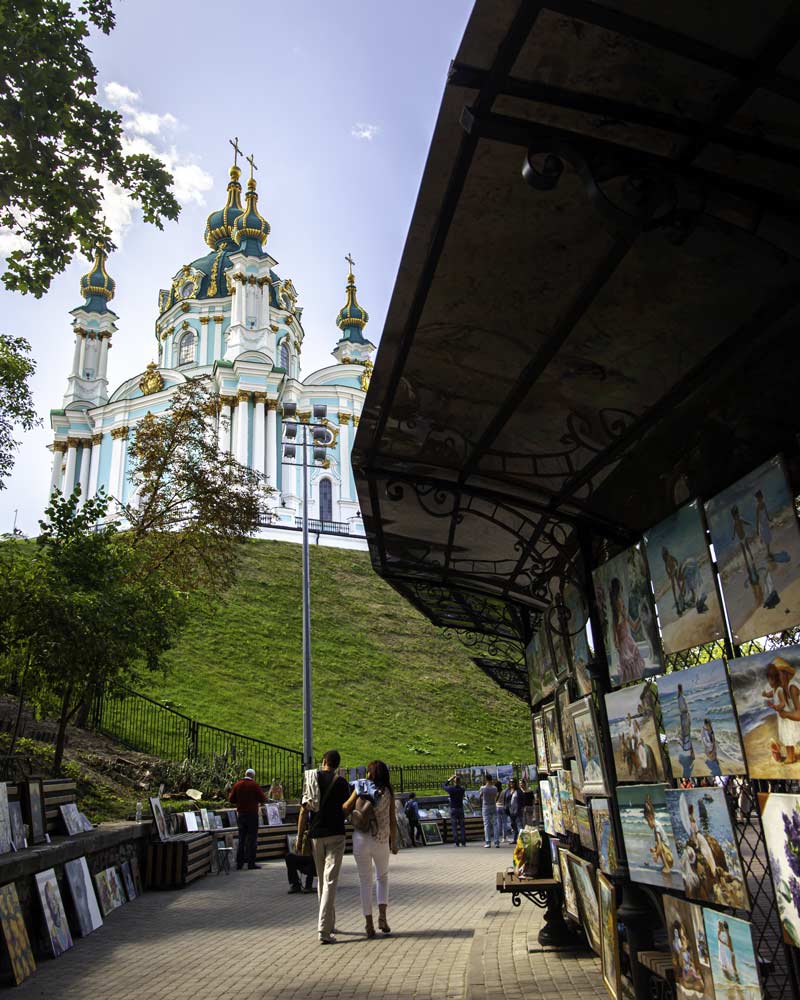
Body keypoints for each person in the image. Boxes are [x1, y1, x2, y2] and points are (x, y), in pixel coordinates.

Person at [296, 749, 353, 944]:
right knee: (330, 881)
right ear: (337, 764)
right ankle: (323, 929)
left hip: (316, 834)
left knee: (322, 880)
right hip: (336, 833)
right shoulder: (341, 783)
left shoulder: (312, 778)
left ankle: (329, 922)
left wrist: (298, 836)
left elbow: (304, 811)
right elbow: (345, 810)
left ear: (323, 761)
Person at [350, 761, 398, 938]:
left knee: (365, 881)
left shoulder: (361, 787)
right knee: (382, 877)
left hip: (361, 838)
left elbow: (349, 808)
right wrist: (394, 842)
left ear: (370, 773)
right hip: (381, 839)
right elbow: (392, 819)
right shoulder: (388, 792)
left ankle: (368, 924)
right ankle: (383, 918)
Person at [228, 767, 267, 871]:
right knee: (252, 839)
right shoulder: (254, 785)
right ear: (253, 776)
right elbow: (263, 798)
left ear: (245, 774)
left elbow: (231, 799)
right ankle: (251, 863)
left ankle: (239, 863)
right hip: (252, 814)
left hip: (241, 814)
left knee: (242, 839)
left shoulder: (237, 784)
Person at [443, 774, 467, 846]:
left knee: (454, 826)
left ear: (454, 782)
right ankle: (463, 841)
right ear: (460, 782)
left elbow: (444, 786)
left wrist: (449, 779)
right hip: (460, 808)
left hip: (453, 808)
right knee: (462, 826)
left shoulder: (451, 789)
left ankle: (456, 842)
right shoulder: (462, 789)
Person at [479, 773, 499, 848]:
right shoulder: (495, 788)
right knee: (495, 824)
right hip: (493, 805)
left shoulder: (483, 788)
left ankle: (488, 842)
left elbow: (480, 796)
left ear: (486, 779)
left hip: (486, 806)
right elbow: (495, 796)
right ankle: (496, 842)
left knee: (487, 824)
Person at [506, 778, 521, 843]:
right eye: (510, 782)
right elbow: (506, 800)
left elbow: (521, 800)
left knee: (519, 825)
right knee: (512, 825)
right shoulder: (508, 791)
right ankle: (515, 839)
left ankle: (520, 839)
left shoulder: (518, 791)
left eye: (513, 782)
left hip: (517, 811)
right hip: (510, 811)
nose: (511, 784)